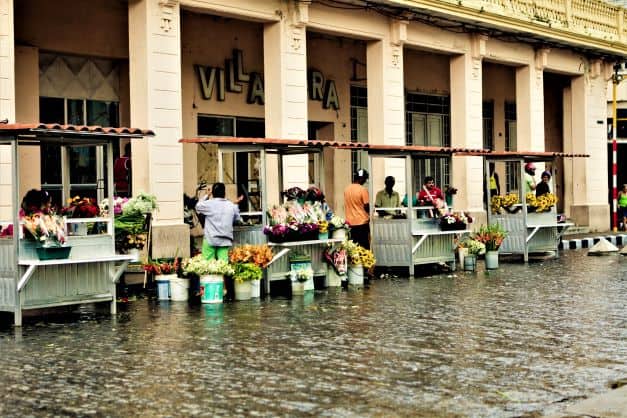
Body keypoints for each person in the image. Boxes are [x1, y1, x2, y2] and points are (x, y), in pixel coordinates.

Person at [195, 182, 242, 262]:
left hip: (210, 238)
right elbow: (237, 219)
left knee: (208, 265)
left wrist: (207, 195)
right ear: (224, 193)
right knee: (223, 266)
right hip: (225, 239)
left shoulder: (209, 204)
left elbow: (197, 206)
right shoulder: (231, 206)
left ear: (212, 193)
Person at [344, 168, 370, 250]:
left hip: (350, 224)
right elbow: (366, 206)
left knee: (354, 247)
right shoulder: (363, 190)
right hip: (362, 223)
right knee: (364, 248)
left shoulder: (346, 189)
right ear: (361, 178)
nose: (365, 181)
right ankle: (365, 263)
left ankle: (356, 262)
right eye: (365, 179)